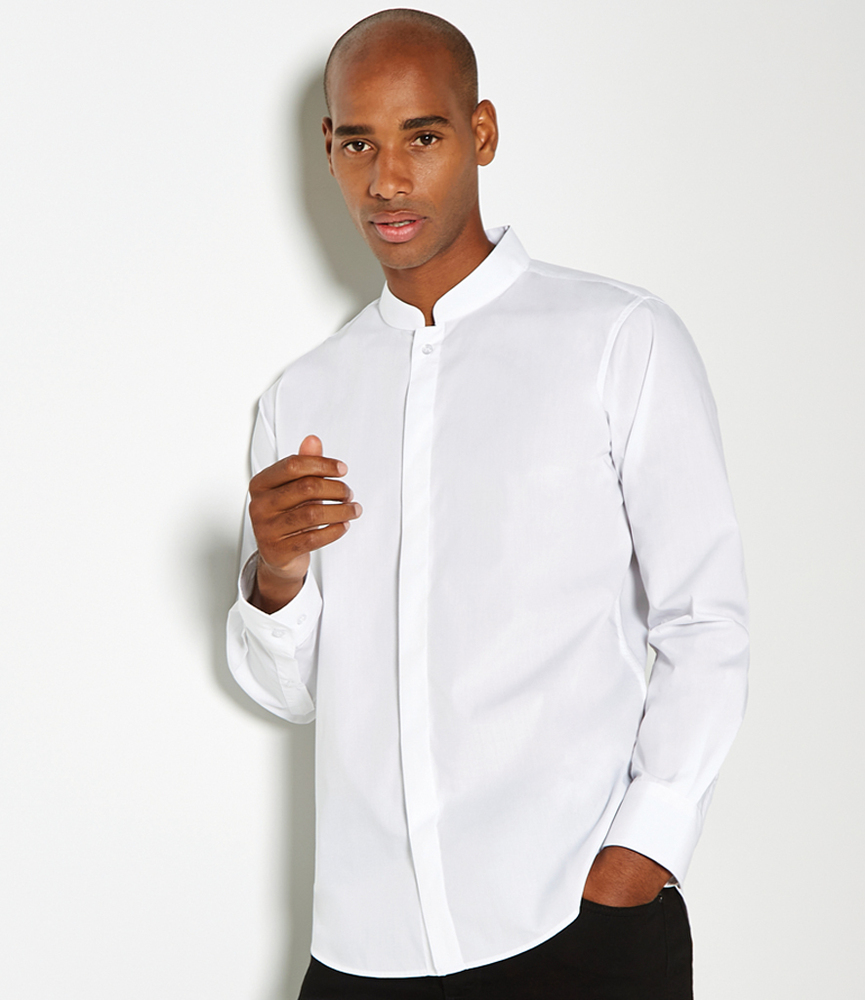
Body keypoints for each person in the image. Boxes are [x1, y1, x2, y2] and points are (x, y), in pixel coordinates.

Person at [226, 9, 749, 998]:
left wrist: (643, 852)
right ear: (328, 151)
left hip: (575, 926)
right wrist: (278, 577)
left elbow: (704, 620)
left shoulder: (617, 339)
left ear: (481, 133)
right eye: (357, 144)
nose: (387, 179)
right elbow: (287, 693)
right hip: (365, 947)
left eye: (420, 136)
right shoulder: (301, 398)